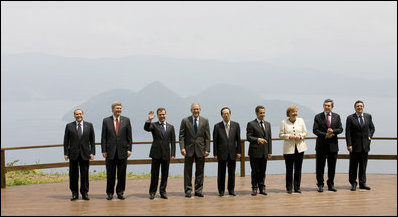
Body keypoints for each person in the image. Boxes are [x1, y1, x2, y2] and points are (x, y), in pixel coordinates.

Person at [101, 102, 132, 200]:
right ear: (112, 109)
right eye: (117, 108)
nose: (118, 110)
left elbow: (129, 137)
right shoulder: (106, 121)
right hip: (110, 152)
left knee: (122, 174)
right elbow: (104, 137)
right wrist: (104, 150)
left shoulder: (126, 120)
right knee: (110, 174)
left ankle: (120, 192)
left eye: (120, 108)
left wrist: (129, 149)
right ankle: (109, 193)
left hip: (123, 152)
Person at [179, 103, 210, 198]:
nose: (196, 111)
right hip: (188, 149)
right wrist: (182, 147)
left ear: (200, 110)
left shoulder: (205, 121)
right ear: (191, 110)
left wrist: (207, 149)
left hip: (201, 149)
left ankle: (198, 190)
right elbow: (181, 136)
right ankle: (188, 190)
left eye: (197, 109)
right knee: (188, 171)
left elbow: (207, 137)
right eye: (194, 109)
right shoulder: (185, 120)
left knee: (200, 171)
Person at [63, 109, 95, 201]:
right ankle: (74, 193)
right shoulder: (69, 126)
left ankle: (85, 193)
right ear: (74, 115)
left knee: (84, 174)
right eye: (77, 114)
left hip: (85, 154)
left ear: (83, 115)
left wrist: (92, 152)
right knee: (73, 175)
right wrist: (66, 153)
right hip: (73, 154)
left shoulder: (89, 125)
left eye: (80, 114)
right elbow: (66, 141)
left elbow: (92, 141)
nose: (79, 115)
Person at [144, 108, 176, 200]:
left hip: (166, 154)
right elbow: (146, 128)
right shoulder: (153, 125)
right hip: (156, 153)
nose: (162, 116)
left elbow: (173, 141)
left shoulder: (171, 127)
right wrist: (149, 120)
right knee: (154, 174)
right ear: (157, 115)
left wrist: (173, 154)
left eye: (163, 114)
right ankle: (152, 192)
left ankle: (163, 192)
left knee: (165, 174)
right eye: (160, 115)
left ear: (166, 115)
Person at [313, 99, 343, 192]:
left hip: (333, 146)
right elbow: (315, 130)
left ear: (332, 107)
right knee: (320, 166)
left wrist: (333, 131)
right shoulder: (318, 117)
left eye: (329, 105)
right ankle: (320, 185)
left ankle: (331, 184)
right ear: (323, 106)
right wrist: (325, 134)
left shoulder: (337, 117)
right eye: (325, 105)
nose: (327, 107)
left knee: (332, 166)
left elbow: (341, 129)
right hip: (321, 145)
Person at [346, 100, 375, 191]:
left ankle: (362, 183)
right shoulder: (350, 118)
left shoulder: (368, 116)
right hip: (354, 146)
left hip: (365, 146)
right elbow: (348, 132)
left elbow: (372, 128)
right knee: (353, 166)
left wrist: (369, 136)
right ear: (355, 107)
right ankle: (353, 183)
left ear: (363, 107)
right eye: (358, 106)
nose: (359, 107)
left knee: (363, 166)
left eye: (361, 106)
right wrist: (349, 144)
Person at [213, 107, 241, 197]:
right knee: (221, 173)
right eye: (224, 113)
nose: (226, 115)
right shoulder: (217, 126)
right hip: (221, 153)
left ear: (230, 114)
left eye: (227, 113)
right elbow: (215, 141)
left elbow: (238, 140)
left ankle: (231, 190)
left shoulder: (236, 125)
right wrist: (215, 153)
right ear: (221, 115)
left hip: (233, 152)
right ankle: (221, 190)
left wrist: (239, 152)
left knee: (232, 172)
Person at [279, 105, 308, 194]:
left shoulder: (301, 121)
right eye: (293, 112)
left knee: (298, 169)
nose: (295, 113)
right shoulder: (284, 122)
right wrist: (289, 136)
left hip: (300, 148)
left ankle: (297, 187)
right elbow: (281, 135)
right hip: (288, 149)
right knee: (289, 169)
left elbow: (305, 133)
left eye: (296, 111)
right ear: (288, 113)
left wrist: (300, 136)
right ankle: (289, 188)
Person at [246, 105, 272, 196]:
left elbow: (269, 139)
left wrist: (269, 151)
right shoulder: (251, 124)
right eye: (261, 113)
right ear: (256, 113)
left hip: (264, 152)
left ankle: (262, 187)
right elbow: (248, 137)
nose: (262, 114)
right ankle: (254, 188)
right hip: (255, 151)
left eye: (264, 113)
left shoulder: (268, 124)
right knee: (255, 171)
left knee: (263, 171)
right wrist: (258, 139)